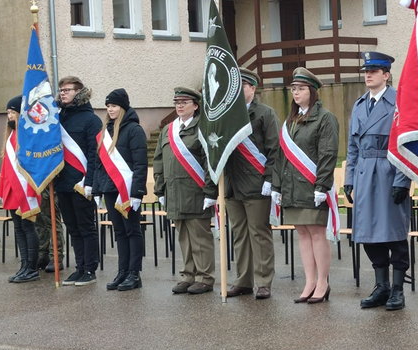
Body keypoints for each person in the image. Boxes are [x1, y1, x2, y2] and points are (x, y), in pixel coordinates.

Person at [344, 52, 411, 311]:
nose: (368, 75)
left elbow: (406, 144)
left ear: (386, 75)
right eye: (366, 71)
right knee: (368, 235)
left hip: (389, 171)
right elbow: (352, 146)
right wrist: (349, 179)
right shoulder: (360, 104)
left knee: (393, 234)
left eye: (374, 71)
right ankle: (381, 286)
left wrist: (402, 181)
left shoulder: (398, 102)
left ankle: (397, 289)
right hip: (364, 172)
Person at [272, 67, 339, 304]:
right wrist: (277, 187)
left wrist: (322, 186)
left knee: (317, 233)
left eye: (301, 88)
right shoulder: (290, 121)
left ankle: (323, 282)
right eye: (293, 89)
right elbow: (281, 157)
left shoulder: (324, 118)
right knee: (302, 233)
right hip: (292, 188)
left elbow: (328, 154)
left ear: (312, 91)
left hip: (312, 187)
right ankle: (309, 281)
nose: (296, 92)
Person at [153, 87, 218, 295]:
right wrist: (160, 189)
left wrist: (210, 191)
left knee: (200, 236)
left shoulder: (203, 128)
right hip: (174, 191)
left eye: (184, 102)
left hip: (195, 191)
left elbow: (210, 162)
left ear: (195, 105)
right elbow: (159, 161)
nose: (179, 106)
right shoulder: (168, 129)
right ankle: (188, 275)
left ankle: (204, 277)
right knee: (183, 236)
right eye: (177, 103)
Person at [223, 69, 280, 300]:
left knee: (259, 233)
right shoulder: (225, 115)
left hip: (257, 184)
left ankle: (263, 281)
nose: (238, 91)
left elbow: (274, 149)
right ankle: (243, 280)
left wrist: (269, 179)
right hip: (232, 184)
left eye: (243, 86)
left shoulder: (264, 113)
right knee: (240, 235)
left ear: (253, 89)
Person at [94, 89, 147, 291]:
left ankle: (134, 273)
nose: (110, 109)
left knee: (132, 230)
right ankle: (122, 271)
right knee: (119, 232)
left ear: (123, 107)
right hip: (109, 188)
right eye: (108, 106)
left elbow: (140, 164)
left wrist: (136, 193)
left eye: (114, 105)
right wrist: (98, 190)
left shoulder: (134, 130)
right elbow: (99, 164)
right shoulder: (105, 131)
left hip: (126, 190)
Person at [54, 76, 101, 285]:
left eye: (68, 90)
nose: (63, 93)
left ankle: (89, 269)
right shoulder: (58, 117)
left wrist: (90, 182)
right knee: (72, 227)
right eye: (61, 90)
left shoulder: (91, 120)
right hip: (62, 182)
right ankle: (79, 266)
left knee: (85, 227)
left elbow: (94, 154)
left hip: (82, 183)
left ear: (79, 92)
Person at [0, 96, 40, 283]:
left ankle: (32, 267)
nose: (9, 116)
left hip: (25, 189)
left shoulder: (28, 135)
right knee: (18, 228)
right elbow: (6, 167)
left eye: (12, 112)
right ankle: (24, 264)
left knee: (28, 227)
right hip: (12, 189)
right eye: (7, 113)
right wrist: (2, 190)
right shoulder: (10, 136)